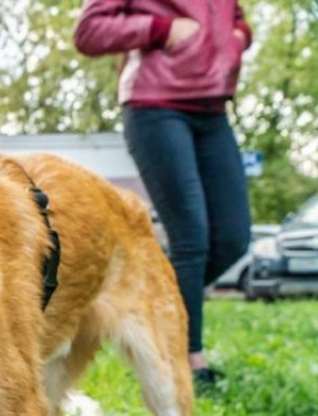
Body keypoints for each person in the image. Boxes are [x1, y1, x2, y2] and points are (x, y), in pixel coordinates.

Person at [74, 0, 253, 386]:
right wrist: (161, 29)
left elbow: (233, 16)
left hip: (213, 107)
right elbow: (89, 31)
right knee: (191, 239)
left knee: (234, 237)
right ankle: (188, 361)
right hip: (155, 104)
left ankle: (140, 303)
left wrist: (239, 37)